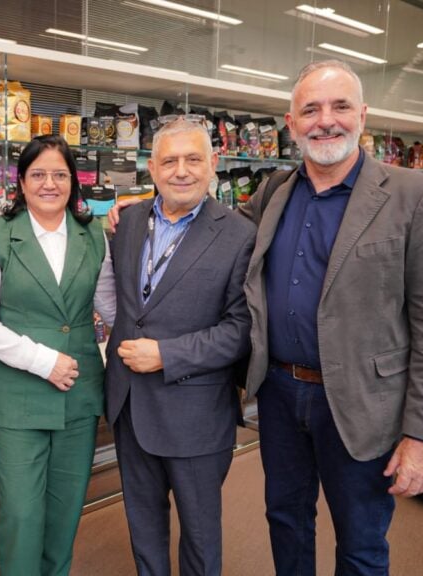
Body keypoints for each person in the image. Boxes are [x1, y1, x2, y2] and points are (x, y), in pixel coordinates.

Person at [238, 60, 423, 575]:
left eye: (340, 107)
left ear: (363, 116)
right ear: (291, 124)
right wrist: (143, 210)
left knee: (360, 541)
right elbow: (216, 233)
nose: (326, 121)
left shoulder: (415, 196)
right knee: (285, 521)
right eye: (310, 110)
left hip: (364, 402)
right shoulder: (275, 191)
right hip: (279, 394)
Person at [105, 118, 255, 576]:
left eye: (193, 159)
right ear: (151, 168)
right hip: (130, 407)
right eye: (169, 161)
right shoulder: (127, 222)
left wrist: (167, 355)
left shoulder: (240, 235)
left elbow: (241, 329)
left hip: (196, 414)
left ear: (213, 164)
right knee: (144, 529)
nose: (182, 171)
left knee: (200, 537)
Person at [0, 135, 116, 575]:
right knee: (23, 516)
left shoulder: (94, 235)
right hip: (19, 397)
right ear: (22, 182)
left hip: (79, 395)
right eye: (39, 174)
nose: (50, 184)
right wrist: (42, 361)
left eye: (60, 175)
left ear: (74, 182)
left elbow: (110, 306)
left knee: (65, 514)